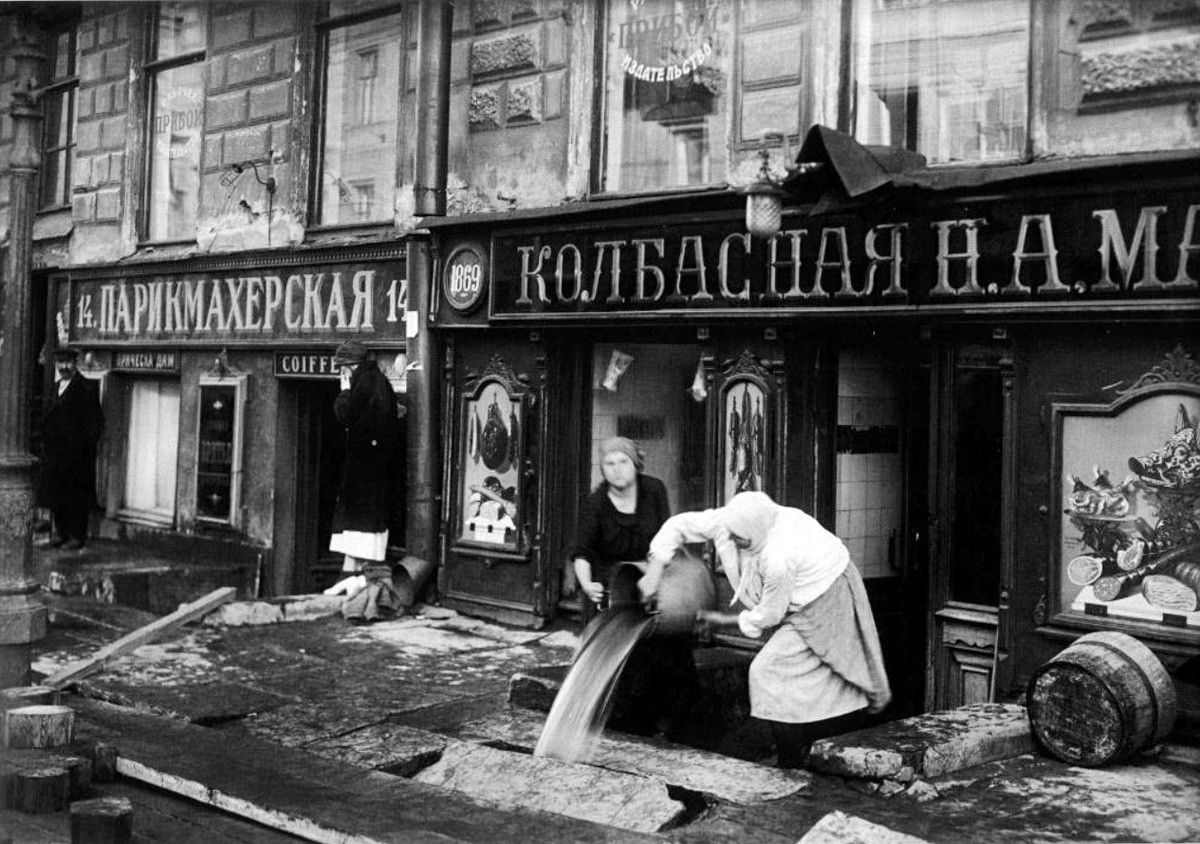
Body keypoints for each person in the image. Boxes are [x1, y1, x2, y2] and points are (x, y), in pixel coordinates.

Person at [640, 491, 891, 768]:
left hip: (826, 597)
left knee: (786, 670)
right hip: (794, 598)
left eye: (739, 538)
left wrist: (722, 620)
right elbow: (677, 525)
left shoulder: (778, 555)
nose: (732, 540)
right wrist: (654, 571)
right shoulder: (735, 521)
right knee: (788, 678)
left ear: (756, 532)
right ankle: (797, 752)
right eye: (730, 534)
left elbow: (770, 614)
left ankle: (794, 759)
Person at [568, 436, 698, 737]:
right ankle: (629, 731)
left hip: (653, 580)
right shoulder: (595, 503)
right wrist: (587, 583)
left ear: (635, 463)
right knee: (627, 669)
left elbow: (667, 537)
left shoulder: (654, 490)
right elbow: (582, 551)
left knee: (672, 653)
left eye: (623, 462)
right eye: (609, 464)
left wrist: (653, 573)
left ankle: (681, 729)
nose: (616, 470)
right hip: (612, 592)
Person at [329, 340, 399, 576]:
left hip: (363, 483)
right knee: (361, 550)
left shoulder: (363, 385)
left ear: (348, 368)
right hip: (375, 480)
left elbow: (346, 415)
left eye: (342, 369)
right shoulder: (379, 382)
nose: (342, 374)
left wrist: (344, 392)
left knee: (354, 543)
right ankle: (353, 586)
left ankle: (348, 589)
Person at [39, 347, 104, 550]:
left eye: (67, 363)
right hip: (55, 453)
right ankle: (62, 533)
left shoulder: (86, 387)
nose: (64, 367)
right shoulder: (55, 387)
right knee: (57, 494)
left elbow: (96, 423)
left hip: (77, 455)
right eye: (60, 363)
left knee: (76, 496)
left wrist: (83, 446)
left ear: (75, 364)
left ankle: (77, 536)